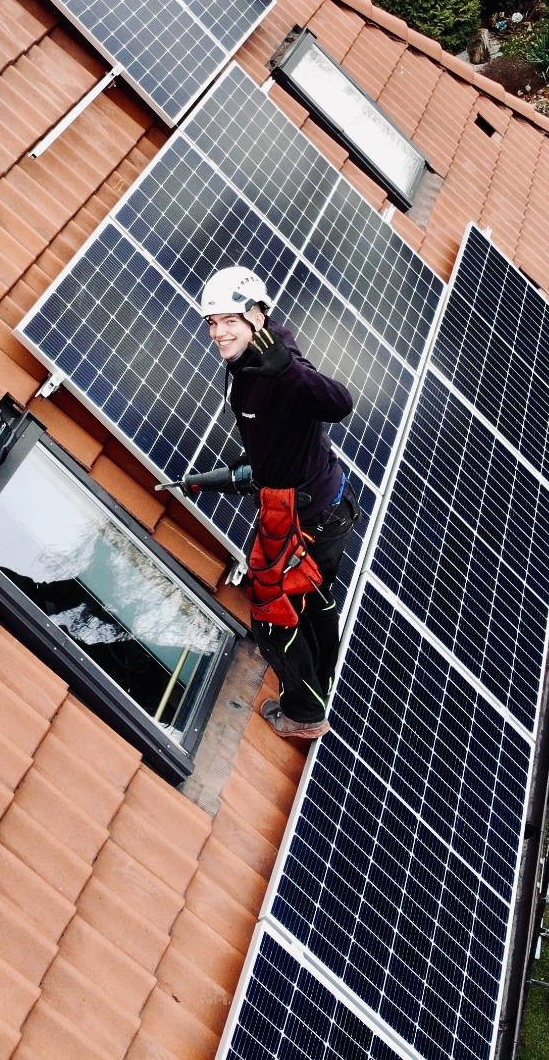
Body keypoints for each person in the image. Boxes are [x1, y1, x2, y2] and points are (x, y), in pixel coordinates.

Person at [198, 266, 357, 742]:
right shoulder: (247, 365)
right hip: (307, 506)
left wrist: (287, 369)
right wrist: (251, 471)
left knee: (272, 613)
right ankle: (323, 679)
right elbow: (276, 434)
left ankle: (305, 716)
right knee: (310, 602)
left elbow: (338, 404)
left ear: (256, 317)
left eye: (229, 320)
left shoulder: (282, 367)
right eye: (212, 322)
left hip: (310, 520)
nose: (218, 332)